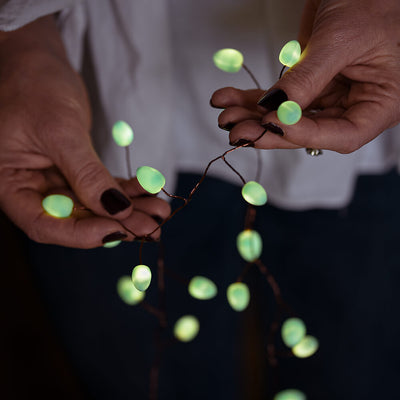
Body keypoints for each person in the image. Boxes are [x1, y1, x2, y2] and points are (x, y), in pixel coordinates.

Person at [1, 1, 400, 399]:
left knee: (351, 371)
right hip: (90, 107)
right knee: (146, 373)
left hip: (367, 116)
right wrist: (20, 44)